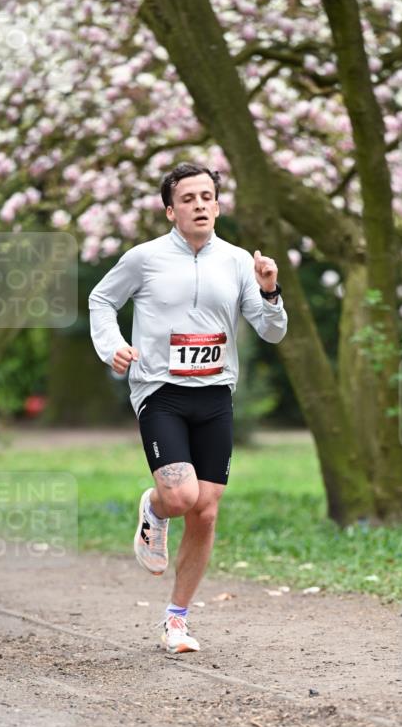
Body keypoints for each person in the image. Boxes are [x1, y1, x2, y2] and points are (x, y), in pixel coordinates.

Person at [89, 162, 287, 655]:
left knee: (206, 511)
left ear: (218, 205)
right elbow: (101, 299)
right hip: (161, 391)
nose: (200, 205)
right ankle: (153, 509)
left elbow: (271, 330)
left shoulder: (240, 261)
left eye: (207, 196)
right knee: (179, 498)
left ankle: (176, 620)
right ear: (170, 210)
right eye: (189, 198)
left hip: (215, 393)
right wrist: (111, 345)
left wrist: (269, 290)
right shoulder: (145, 258)